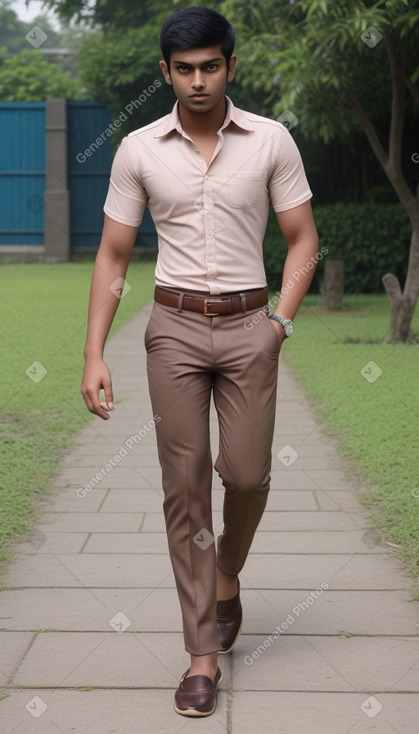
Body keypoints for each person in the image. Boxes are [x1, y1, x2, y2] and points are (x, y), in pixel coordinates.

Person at [81, 5, 319, 718]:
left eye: (209, 66)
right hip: (173, 331)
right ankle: (200, 658)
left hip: (251, 325)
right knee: (184, 489)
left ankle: (227, 574)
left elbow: (303, 240)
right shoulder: (138, 151)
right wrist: (93, 352)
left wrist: (279, 323)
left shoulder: (270, 141)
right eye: (182, 70)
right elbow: (113, 255)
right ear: (165, 73)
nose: (196, 81)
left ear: (230, 66)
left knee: (246, 475)